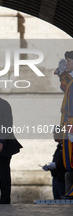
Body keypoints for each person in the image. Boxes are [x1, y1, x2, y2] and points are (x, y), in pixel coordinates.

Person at [54, 51, 73, 198]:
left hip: (71, 126)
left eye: (68, 61)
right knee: (69, 160)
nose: (66, 64)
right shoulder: (70, 81)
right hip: (68, 126)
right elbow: (65, 87)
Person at [42, 128, 66, 199]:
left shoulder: (65, 147)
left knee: (61, 198)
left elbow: (66, 163)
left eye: (55, 134)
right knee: (56, 198)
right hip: (56, 177)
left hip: (61, 178)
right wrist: (49, 167)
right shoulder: (59, 147)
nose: (54, 136)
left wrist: (56, 165)